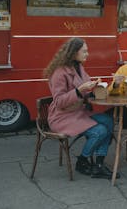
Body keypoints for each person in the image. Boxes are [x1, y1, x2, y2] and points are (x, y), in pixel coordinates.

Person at [44, 37, 115, 179]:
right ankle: (82, 161)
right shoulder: (59, 72)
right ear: (74, 52)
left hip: (77, 113)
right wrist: (79, 90)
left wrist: (95, 86)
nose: (87, 54)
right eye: (84, 51)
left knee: (108, 121)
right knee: (100, 131)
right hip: (62, 117)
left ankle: (99, 164)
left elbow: (86, 88)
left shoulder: (78, 67)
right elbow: (59, 102)